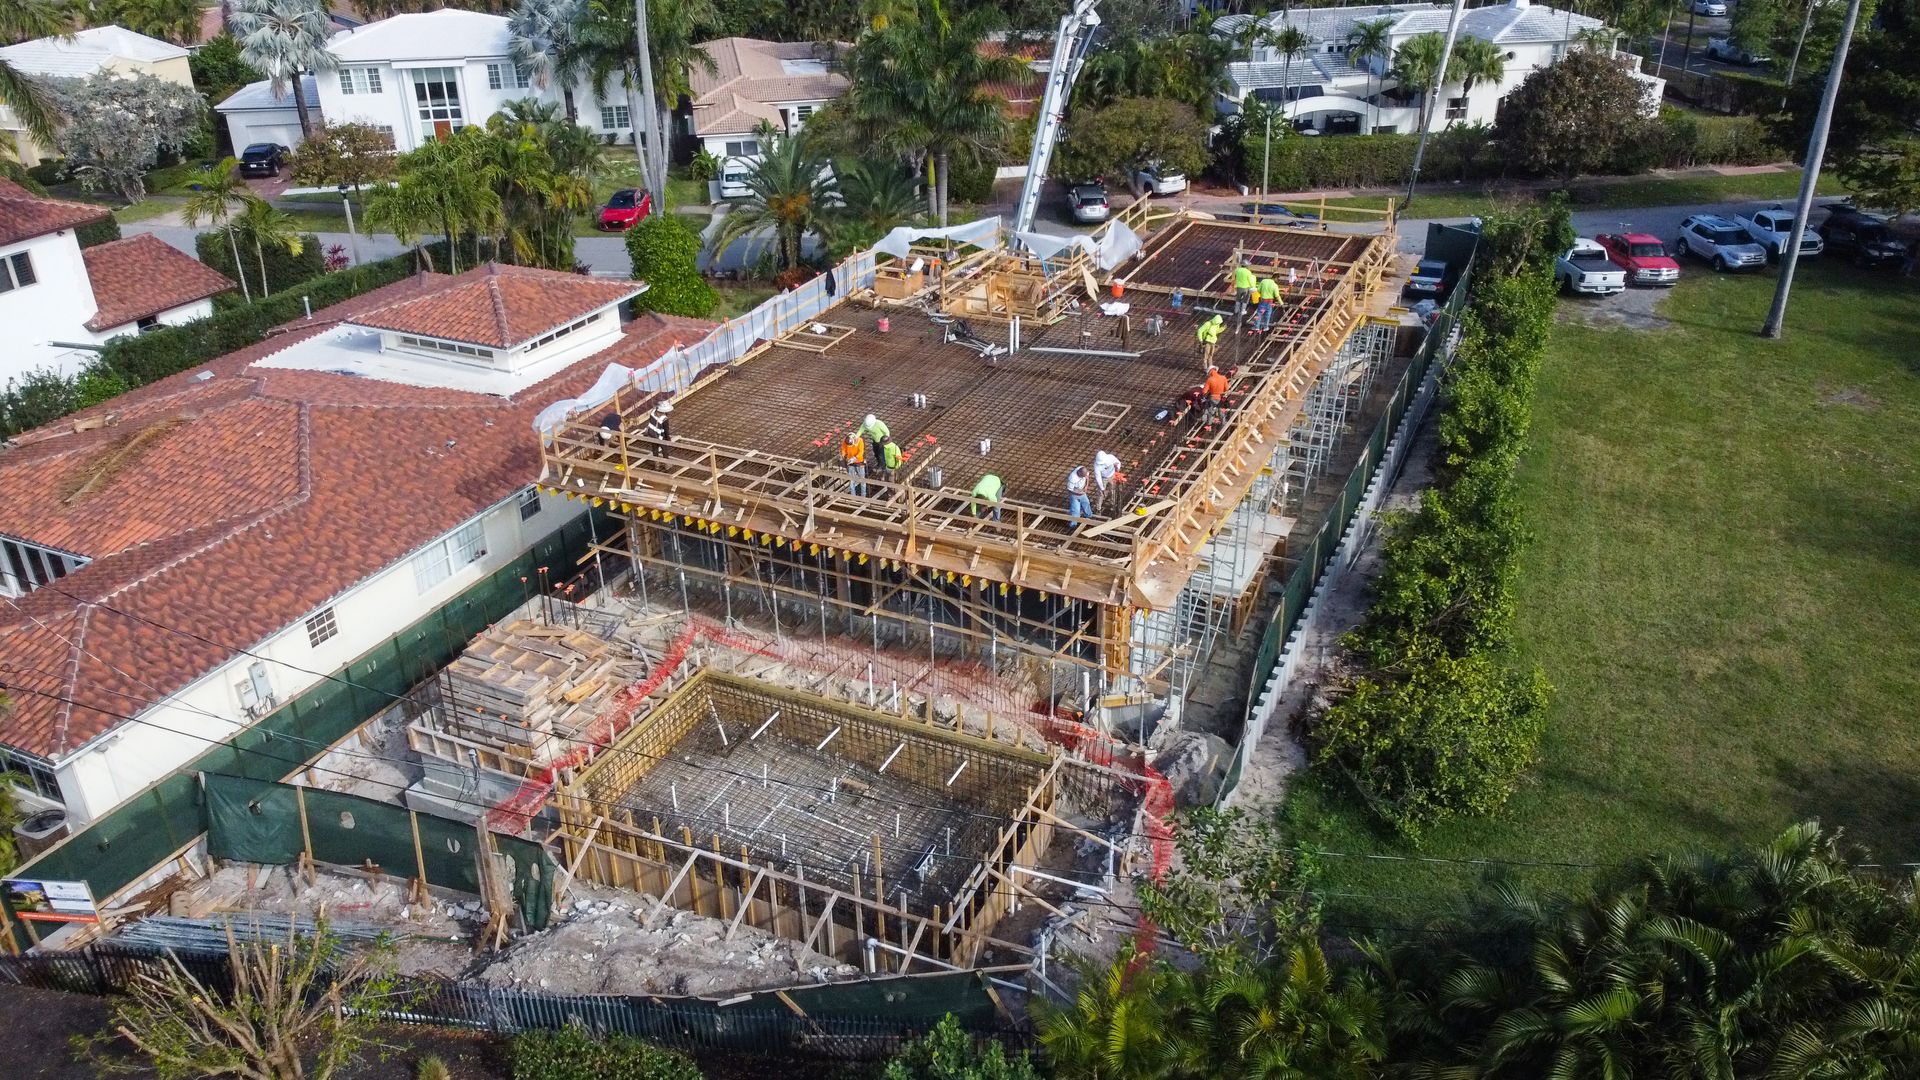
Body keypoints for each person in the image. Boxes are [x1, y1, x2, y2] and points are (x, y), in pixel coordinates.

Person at [1092, 449, 1122, 514]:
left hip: (1112, 475)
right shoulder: (1096, 465)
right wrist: (1102, 488)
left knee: (1112, 491)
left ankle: (1112, 504)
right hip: (1103, 478)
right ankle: (1098, 508)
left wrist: (1117, 468)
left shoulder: (1111, 457)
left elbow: (1118, 463)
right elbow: (1098, 477)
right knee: (1101, 494)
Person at [841, 431, 868, 496]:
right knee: (851, 480)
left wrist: (855, 458)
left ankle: (863, 495)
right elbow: (843, 450)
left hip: (859, 462)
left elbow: (861, 452)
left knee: (862, 480)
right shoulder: (845, 441)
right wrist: (845, 456)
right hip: (850, 462)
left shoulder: (860, 441)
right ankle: (853, 495)